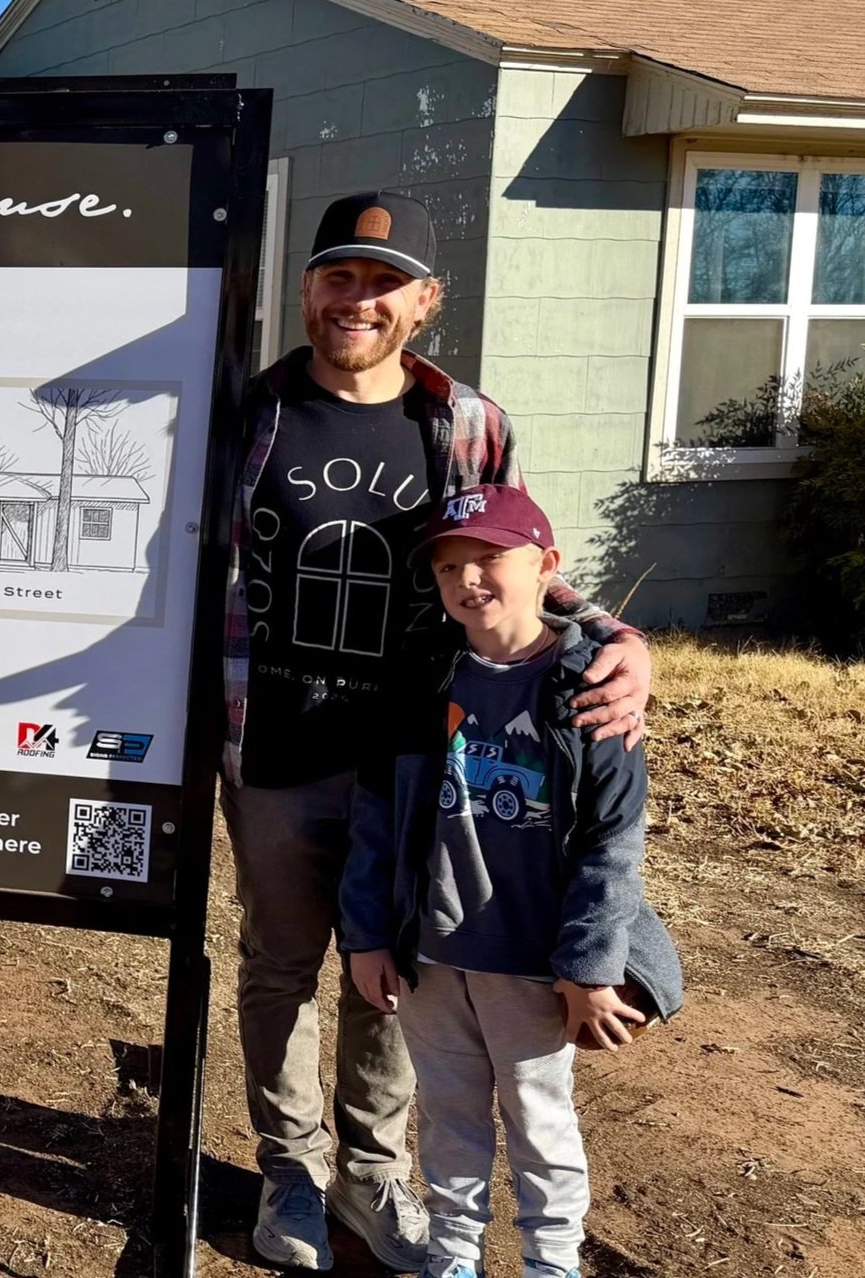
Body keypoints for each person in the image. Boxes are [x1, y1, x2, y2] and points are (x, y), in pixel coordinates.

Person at [220, 191, 654, 1271]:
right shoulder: (249, 411)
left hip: (421, 752)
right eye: (337, 276)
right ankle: (289, 1179)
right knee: (282, 966)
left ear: (423, 301)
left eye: (381, 281)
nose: (355, 298)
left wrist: (615, 634)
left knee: (394, 970)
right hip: (272, 743)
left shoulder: (466, 421)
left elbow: (507, 558)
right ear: (307, 289)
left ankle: (370, 1177)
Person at [338, 484, 683, 1278]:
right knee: (450, 1120)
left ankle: (550, 1264)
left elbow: (612, 842)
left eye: (490, 559)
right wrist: (364, 936)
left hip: (532, 964)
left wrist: (589, 970)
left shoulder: (590, 688)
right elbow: (376, 821)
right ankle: (453, 1259)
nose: (469, 580)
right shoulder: (423, 683)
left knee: (538, 1121)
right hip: (432, 956)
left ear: (547, 567)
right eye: (450, 566)